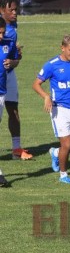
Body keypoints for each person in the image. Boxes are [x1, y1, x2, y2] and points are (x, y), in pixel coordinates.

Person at [32, 34, 70, 184]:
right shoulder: (52, 65)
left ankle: (55, 152)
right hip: (59, 110)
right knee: (67, 145)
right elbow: (36, 84)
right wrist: (46, 96)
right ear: (62, 48)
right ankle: (63, 175)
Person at [0, 0, 32, 160]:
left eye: (16, 10)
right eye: (10, 10)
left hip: (9, 76)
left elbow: (15, 57)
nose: (14, 13)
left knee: (13, 110)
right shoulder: (2, 29)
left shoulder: (12, 26)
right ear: (1, 10)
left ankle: (16, 148)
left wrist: (15, 58)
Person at [0, 17, 19, 170]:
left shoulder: (8, 43)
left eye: (2, 33)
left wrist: (13, 62)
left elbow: (16, 58)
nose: (1, 36)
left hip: (1, 93)